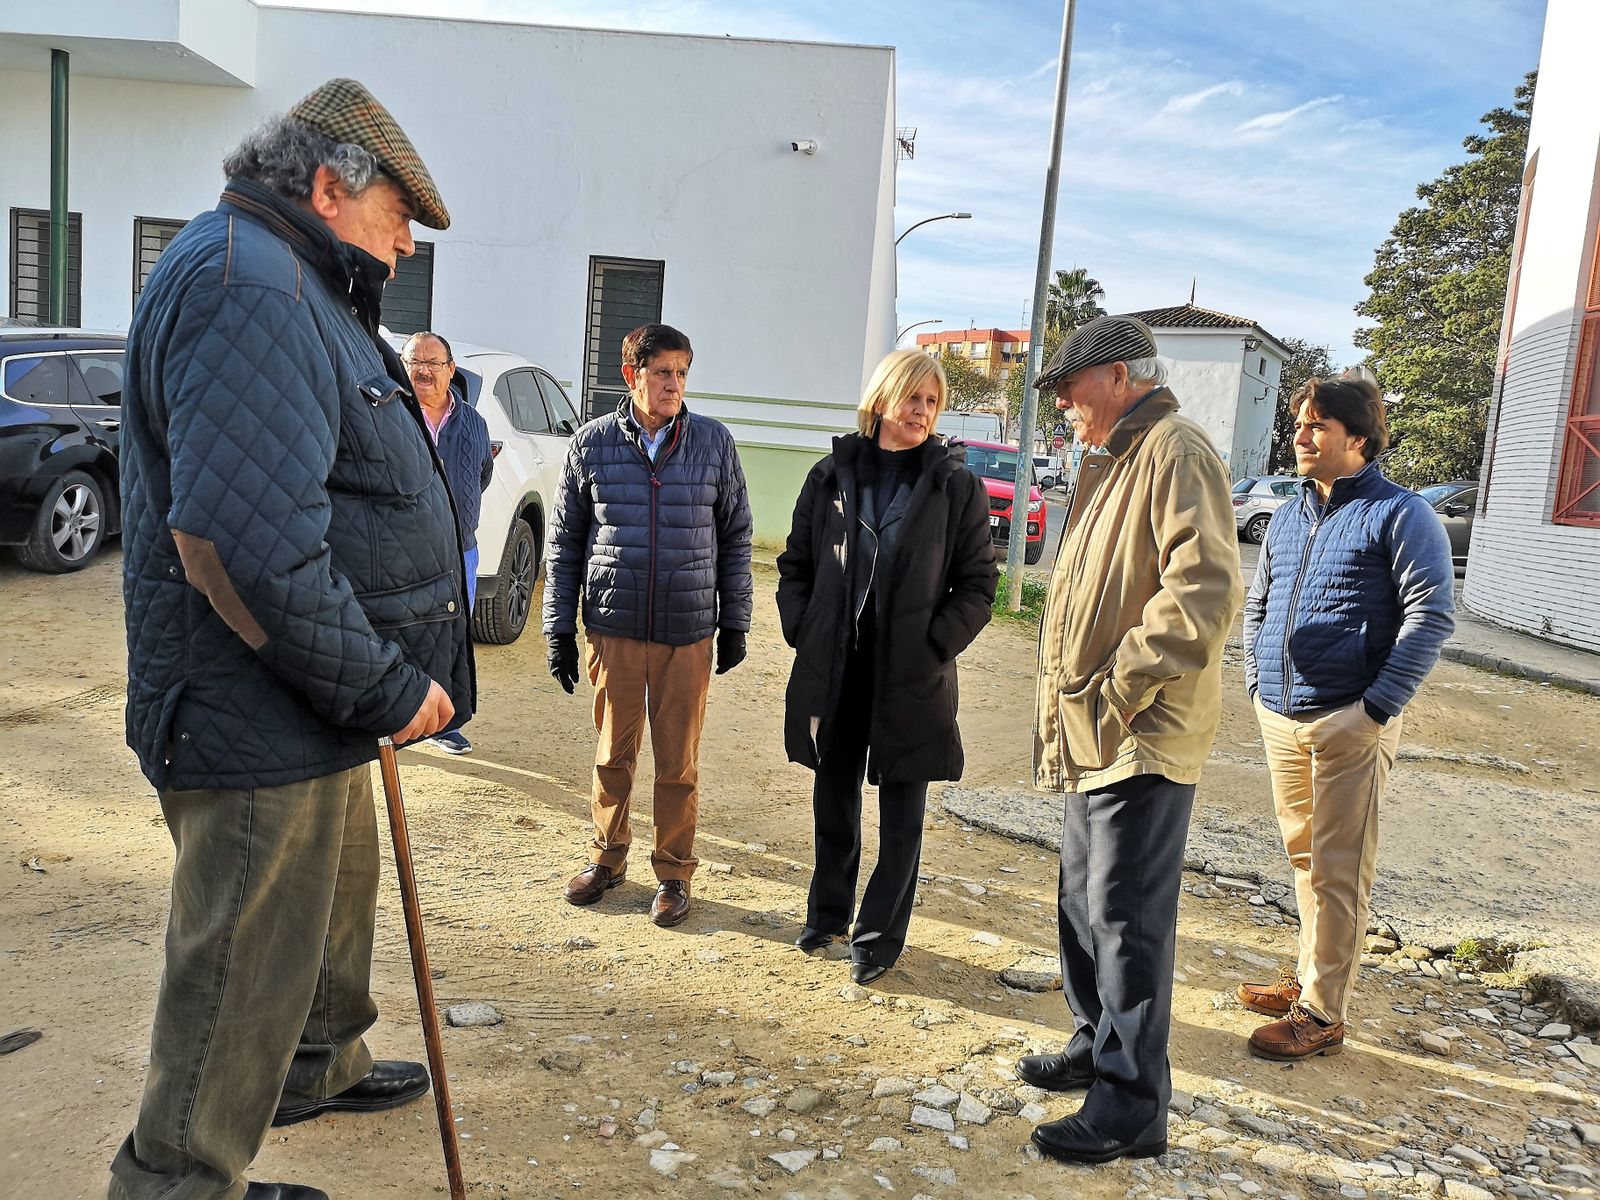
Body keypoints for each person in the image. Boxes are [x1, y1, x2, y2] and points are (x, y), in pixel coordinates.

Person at [111, 79, 472, 1200]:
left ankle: (314, 1067)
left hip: (297, 700)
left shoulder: (291, 280)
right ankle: (179, 1183)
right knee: (237, 970)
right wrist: (381, 687)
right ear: (328, 187)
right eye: (396, 220)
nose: (404, 248)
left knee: (318, 920)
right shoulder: (251, 288)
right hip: (254, 706)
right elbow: (239, 543)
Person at [1022, 315, 1242, 1165]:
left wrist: (1116, 690)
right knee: (1083, 903)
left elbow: (1203, 594)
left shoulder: (1175, 450)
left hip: (1137, 731)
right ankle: (1093, 1044)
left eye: (1070, 388)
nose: (1063, 407)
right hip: (1097, 730)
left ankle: (1133, 1108)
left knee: (1127, 920)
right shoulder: (1112, 458)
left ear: (1117, 377)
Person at [1240, 375, 1454, 1061]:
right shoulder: (1290, 513)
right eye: (1299, 424)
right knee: (1304, 857)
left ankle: (1323, 1013)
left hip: (1350, 720)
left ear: (1357, 437)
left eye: (1317, 426)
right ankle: (1309, 977)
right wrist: (1255, 684)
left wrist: (1374, 711)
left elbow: (1431, 616)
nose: (1300, 437)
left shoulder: (1401, 514)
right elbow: (1257, 605)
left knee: (1338, 868)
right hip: (1282, 715)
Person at [776, 350, 997, 986]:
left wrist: (935, 645)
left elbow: (978, 585)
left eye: (933, 401)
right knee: (833, 796)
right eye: (913, 398)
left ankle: (878, 938)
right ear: (881, 400)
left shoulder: (957, 487)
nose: (924, 412)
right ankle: (827, 914)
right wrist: (804, 628)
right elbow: (797, 565)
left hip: (910, 673)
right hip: (836, 668)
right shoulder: (830, 477)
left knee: (902, 812)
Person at [543, 323, 753, 928]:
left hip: (687, 631)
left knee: (677, 762)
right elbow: (565, 545)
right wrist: (558, 627)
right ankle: (607, 859)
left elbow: (737, 535)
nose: (674, 384)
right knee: (613, 754)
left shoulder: (713, 443)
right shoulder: (591, 445)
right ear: (631, 374)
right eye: (662, 372)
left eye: (683, 373)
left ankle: (674, 874)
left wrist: (734, 620)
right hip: (615, 627)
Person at [402, 331, 494, 755]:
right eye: (413, 362)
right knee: (398, 631)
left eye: (433, 363)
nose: (423, 371)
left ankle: (445, 724)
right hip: (400, 547)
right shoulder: (391, 413)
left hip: (460, 549)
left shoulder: (474, 422)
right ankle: (397, 719)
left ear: (450, 370)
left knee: (452, 636)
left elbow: (481, 477)